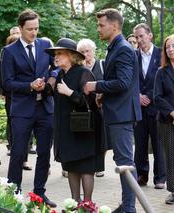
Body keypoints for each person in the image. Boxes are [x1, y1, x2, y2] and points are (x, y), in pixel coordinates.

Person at [84, 8, 141, 213]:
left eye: (101, 25)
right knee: (122, 162)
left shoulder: (123, 48)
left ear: (114, 26)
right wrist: (103, 95)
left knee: (125, 163)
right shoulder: (115, 47)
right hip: (117, 112)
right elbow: (119, 81)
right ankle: (127, 205)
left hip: (122, 115)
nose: (98, 28)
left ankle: (129, 208)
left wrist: (96, 86)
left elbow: (124, 83)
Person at [1, 9, 56, 207]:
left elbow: (57, 66)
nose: (34, 33)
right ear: (21, 28)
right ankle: (13, 194)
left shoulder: (45, 45)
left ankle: (40, 193)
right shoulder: (9, 51)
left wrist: (51, 79)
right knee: (17, 153)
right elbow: (7, 83)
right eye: (30, 29)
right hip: (22, 110)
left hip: (45, 108)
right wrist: (29, 86)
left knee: (44, 153)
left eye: (36, 29)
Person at [45, 38, 106, 202]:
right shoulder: (59, 75)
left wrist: (69, 92)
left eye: (60, 54)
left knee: (86, 168)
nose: (56, 57)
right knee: (71, 166)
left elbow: (91, 102)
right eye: (55, 54)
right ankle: (74, 203)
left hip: (84, 129)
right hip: (67, 129)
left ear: (71, 55)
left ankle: (87, 205)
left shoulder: (83, 72)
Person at [133, 23, 166, 189]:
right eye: (137, 37)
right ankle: (141, 175)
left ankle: (160, 178)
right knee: (140, 143)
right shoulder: (133, 56)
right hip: (138, 106)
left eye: (142, 36)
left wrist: (151, 97)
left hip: (157, 106)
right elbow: (130, 80)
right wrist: (137, 95)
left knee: (158, 144)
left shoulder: (162, 54)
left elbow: (165, 79)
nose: (139, 40)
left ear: (150, 35)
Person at [0, 33, 32, 170]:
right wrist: (2, 92)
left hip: (25, 97)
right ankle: (13, 148)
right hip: (11, 97)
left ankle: (24, 158)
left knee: (25, 128)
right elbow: (2, 79)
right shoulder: (5, 57)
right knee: (13, 125)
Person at [77, 38, 106, 178]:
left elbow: (108, 83)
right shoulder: (79, 69)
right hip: (84, 109)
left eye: (87, 51)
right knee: (88, 138)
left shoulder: (101, 65)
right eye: (82, 52)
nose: (85, 54)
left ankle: (99, 166)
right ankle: (87, 165)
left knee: (101, 138)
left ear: (93, 51)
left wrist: (102, 94)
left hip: (100, 108)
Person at [154, 34, 174, 205]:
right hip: (167, 121)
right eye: (168, 47)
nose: (170, 49)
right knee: (171, 156)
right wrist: (172, 113)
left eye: (173, 46)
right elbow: (157, 97)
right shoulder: (161, 72)